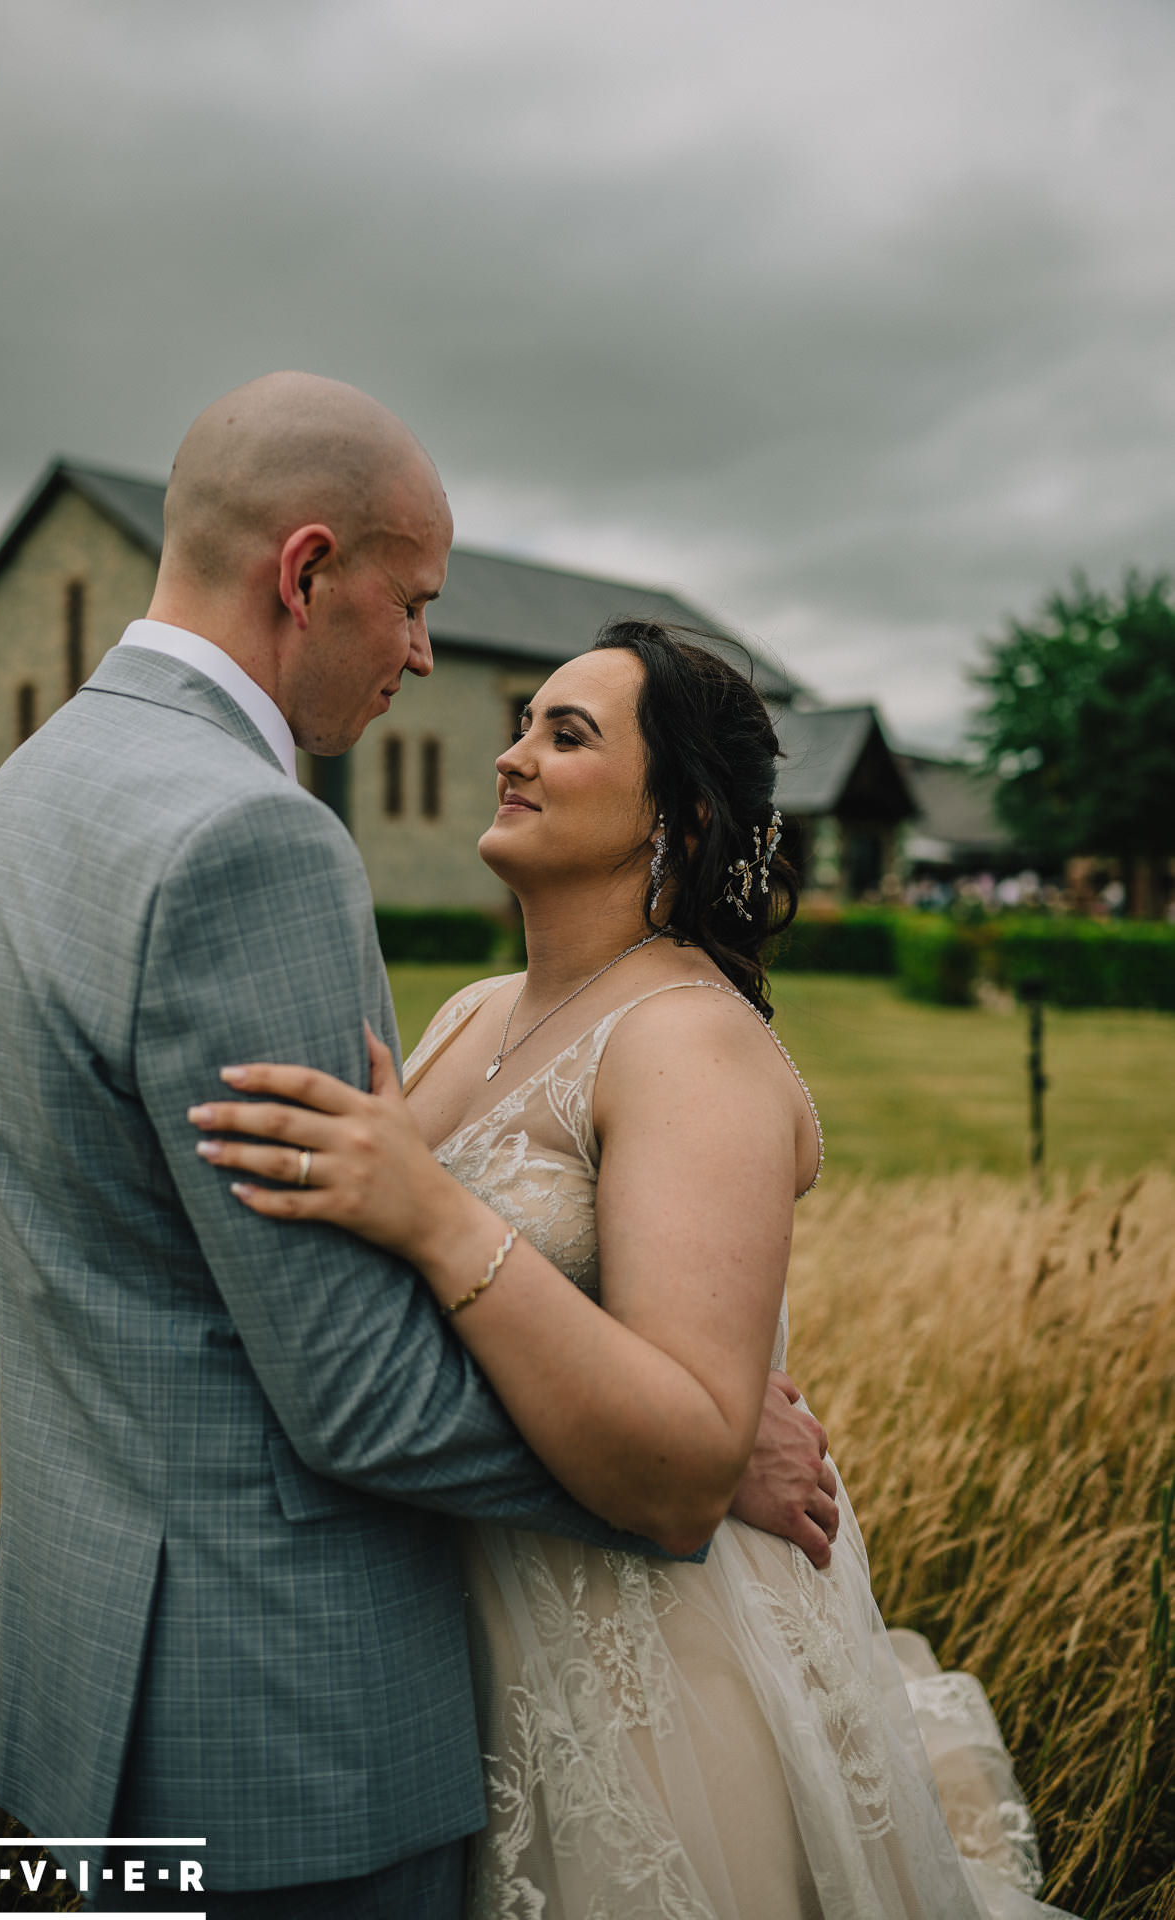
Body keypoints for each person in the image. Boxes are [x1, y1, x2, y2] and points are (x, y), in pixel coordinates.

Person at [0, 378, 836, 1919]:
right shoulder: (256, 843)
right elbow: (354, 1394)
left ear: (676, 818)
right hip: (284, 1722)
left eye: (561, 729)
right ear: (305, 572)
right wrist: (680, 1460)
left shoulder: (21, 798)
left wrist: (660, 1425)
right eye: (413, 605)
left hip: (91, 1671)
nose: (428, 659)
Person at [193, 621, 1078, 1919]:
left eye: (567, 735)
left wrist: (435, 1218)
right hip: (471, 1643)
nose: (512, 756)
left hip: (653, 1677)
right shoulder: (472, 1011)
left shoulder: (689, 1042)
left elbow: (676, 1462)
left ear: (683, 813)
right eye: (523, 725)